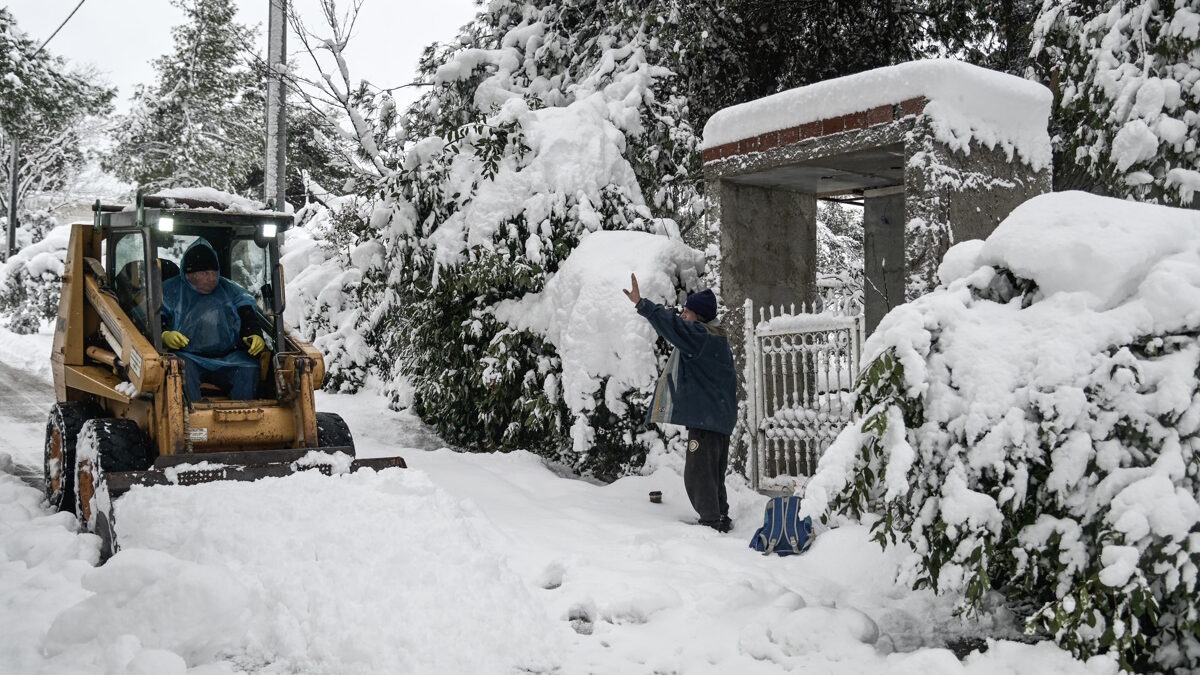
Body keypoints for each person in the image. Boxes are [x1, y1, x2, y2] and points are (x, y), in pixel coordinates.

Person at [624, 273, 738, 532]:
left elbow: (672, 326)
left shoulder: (700, 337)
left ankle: (711, 523)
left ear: (699, 316)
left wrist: (642, 304)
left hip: (708, 419)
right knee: (713, 473)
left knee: (698, 473)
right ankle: (721, 517)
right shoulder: (716, 337)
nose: (683, 315)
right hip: (719, 418)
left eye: (687, 311)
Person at [160, 238, 267, 402]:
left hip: (229, 358)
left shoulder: (230, 290)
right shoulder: (170, 291)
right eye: (205, 273)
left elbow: (247, 313)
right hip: (188, 357)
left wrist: (254, 333)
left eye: (214, 272)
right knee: (177, 369)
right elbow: (155, 317)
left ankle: (244, 417)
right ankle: (190, 419)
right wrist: (164, 334)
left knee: (249, 368)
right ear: (189, 275)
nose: (212, 278)